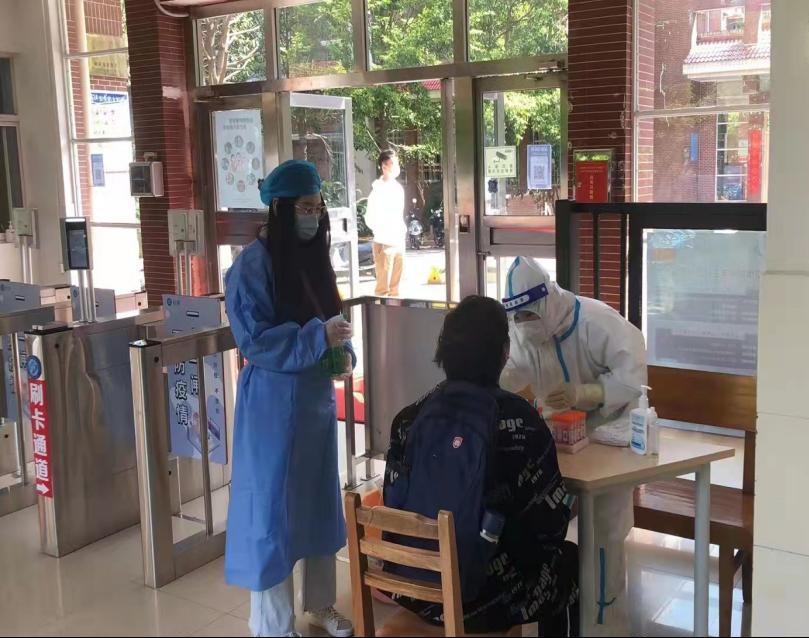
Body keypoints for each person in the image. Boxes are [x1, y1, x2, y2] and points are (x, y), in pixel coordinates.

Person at [384, 296, 579, 636]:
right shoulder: (522, 422)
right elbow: (549, 528)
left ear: (443, 352)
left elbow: (393, 503)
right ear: (504, 353)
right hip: (485, 598)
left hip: (414, 587)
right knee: (569, 561)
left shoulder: (409, 418)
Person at [224, 160, 355, 638]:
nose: (313, 218)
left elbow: (330, 319)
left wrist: (342, 352)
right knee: (271, 516)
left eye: (318, 209)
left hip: (314, 405)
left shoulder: (313, 260)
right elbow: (255, 340)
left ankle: (320, 603)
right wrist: (316, 338)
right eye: (305, 208)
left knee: (318, 508)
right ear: (279, 209)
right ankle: (273, 626)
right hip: (272, 409)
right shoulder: (252, 267)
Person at [499, 257, 647, 635]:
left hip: (609, 435)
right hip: (559, 440)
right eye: (518, 317)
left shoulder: (596, 322)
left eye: (530, 315)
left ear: (548, 298)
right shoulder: (522, 330)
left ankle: (604, 625)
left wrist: (589, 393)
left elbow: (632, 375)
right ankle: (554, 618)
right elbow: (508, 374)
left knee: (605, 536)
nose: (525, 324)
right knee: (543, 528)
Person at [365, 149, 406, 296]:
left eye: (396, 163)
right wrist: (381, 231)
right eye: (393, 163)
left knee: (395, 289)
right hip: (384, 242)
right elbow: (370, 217)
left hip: (398, 241)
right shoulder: (377, 190)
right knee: (383, 288)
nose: (396, 166)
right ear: (384, 166)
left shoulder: (398, 188)